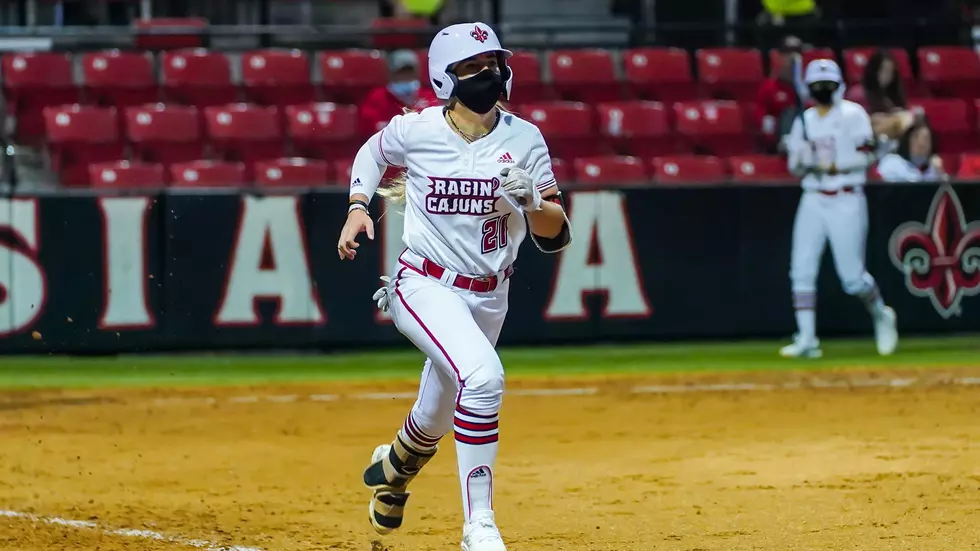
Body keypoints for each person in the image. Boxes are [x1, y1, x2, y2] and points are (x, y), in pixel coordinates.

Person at [336, 22, 572, 551]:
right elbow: (373, 153)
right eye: (471, 68)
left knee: (439, 410)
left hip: (491, 292)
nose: (487, 74)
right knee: (483, 379)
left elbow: (556, 236)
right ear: (445, 79)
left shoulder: (524, 139)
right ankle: (479, 525)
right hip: (423, 282)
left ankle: (394, 469)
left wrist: (533, 202)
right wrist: (357, 207)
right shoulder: (418, 129)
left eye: (492, 63)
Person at [782, 59, 899, 359]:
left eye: (828, 86)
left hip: (846, 197)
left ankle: (881, 313)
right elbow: (794, 168)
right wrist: (802, 160)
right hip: (813, 197)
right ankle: (807, 338)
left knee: (852, 278)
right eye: (818, 86)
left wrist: (833, 166)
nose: (823, 91)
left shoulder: (852, 114)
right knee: (801, 269)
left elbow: (867, 157)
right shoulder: (804, 121)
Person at [358, 49, 441, 136]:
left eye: (409, 72)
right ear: (390, 74)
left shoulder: (430, 97)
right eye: (401, 72)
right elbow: (368, 132)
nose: (406, 76)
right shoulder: (376, 99)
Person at [754, 35, 804, 153]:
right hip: (779, 143)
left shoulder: (808, 87)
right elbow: (760, 115)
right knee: (788, 113)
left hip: (806, 141)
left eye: (797, 52)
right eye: (787, 52)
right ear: (779, 56)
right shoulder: (769, 87)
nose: (792, 57)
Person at [860, 50, 914, 142]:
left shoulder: (892, 96)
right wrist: (891, 119)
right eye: (884, 71)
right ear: (874, 70)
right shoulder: (859, 93)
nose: (887, 76)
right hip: (871, 139)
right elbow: (859, 123)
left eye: (891, 72)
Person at [876, 119, 948, 182]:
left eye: (926, 139)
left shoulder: (933, 170)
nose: (921, 143)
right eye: (916, 137)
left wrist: (939, 173)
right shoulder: (892, 162)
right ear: (907, 140)